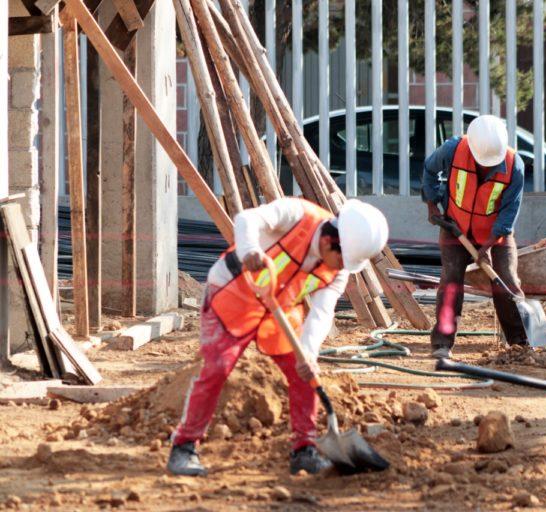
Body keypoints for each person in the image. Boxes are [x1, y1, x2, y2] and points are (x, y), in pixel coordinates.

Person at [167, 197, 389, 477]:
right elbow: (247, 218)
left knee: (305, 374)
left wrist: (307, 354)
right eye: (342, 258)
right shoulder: (297, 214)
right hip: (232, 294)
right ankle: (184, 447)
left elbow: (321, 313)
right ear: (330, 241)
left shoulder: (339, 273)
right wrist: (249, 250)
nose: (342, 266)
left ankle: (304, 450)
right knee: (218, 368)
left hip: (278, 309)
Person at [422, 114, 526, 359]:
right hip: (454, 228)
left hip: (495, 234)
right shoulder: (453, 149)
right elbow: (429, 169)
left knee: (507, 282)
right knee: (450, 282)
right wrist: (432, 205)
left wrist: (489, 246)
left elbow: (509, 211)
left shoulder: (514, 165)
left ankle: (520, 342)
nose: (487, 165)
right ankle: (441, 344)